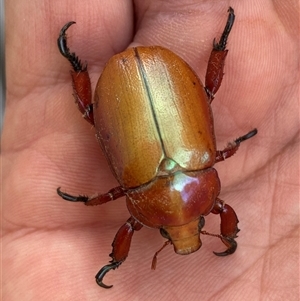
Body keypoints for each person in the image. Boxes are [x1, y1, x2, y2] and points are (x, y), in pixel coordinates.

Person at [3, 1, 299, 300]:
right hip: (157, 75)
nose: (184, 234)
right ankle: (79, 65)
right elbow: (124, 219)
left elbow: (214, 209)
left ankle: (78, 65)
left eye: (168, 232)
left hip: (139, 80)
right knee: (92, 113)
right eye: (198, 222)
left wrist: (113, 255)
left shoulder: (202, 168)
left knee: (204, 95)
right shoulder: (153, 191)